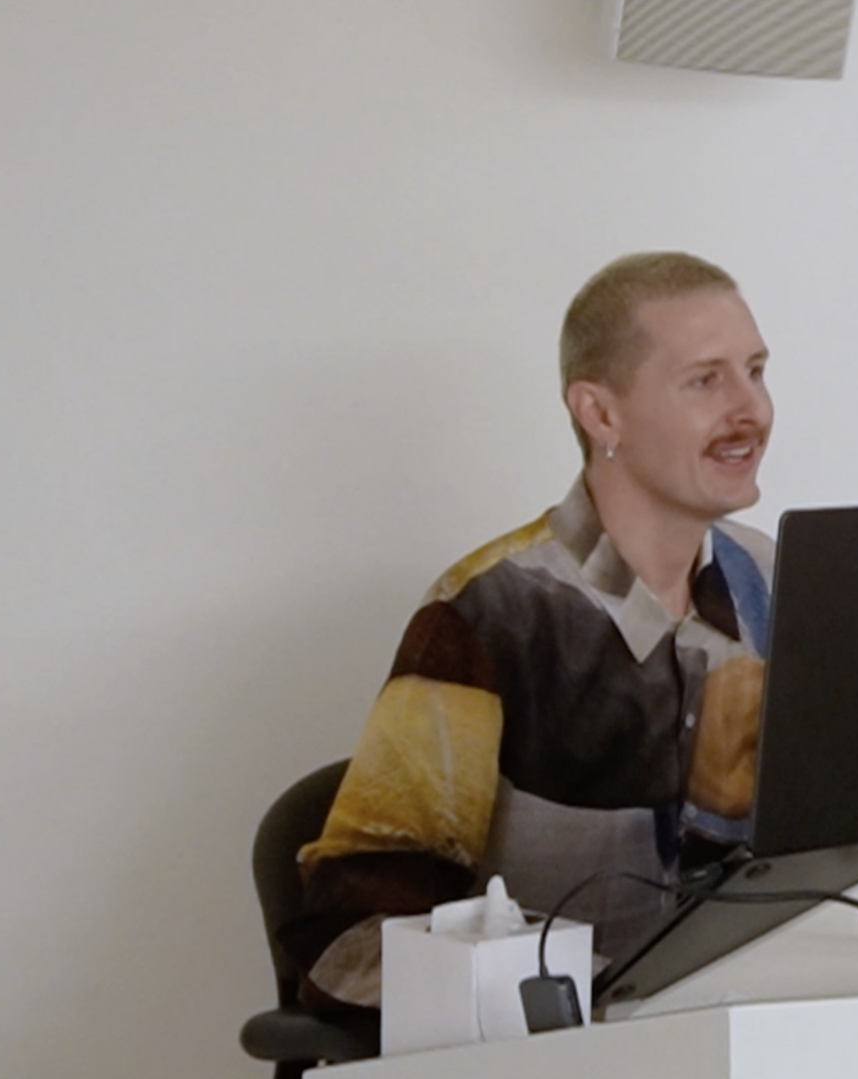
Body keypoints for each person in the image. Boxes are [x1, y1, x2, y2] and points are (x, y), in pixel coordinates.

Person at [285, 252, 778, 1014]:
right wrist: (603, 999)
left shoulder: (775, 584)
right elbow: (355, 942)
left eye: (756, 370)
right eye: (706, 380)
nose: (752, 410)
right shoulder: (488, 612)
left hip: (752, 1036)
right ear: (601, 413)